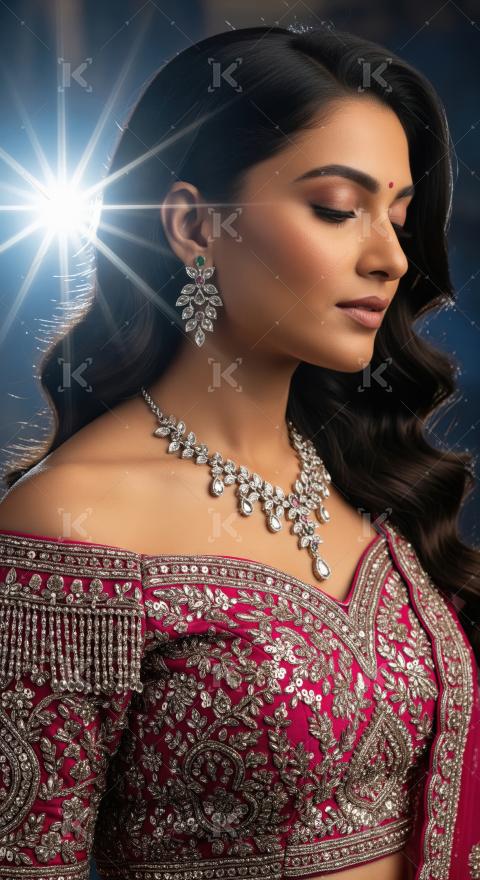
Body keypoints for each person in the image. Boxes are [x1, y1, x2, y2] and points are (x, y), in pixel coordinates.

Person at [0, 24, 479, 880]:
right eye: (338, 208)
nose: (392, 256)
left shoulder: (360, 479)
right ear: (193, 223)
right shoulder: (70, 524)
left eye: (399, 217)